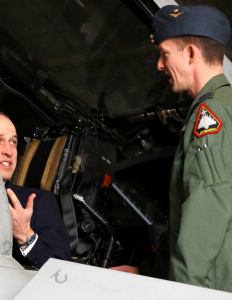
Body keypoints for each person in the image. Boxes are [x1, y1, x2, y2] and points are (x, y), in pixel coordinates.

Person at [111, 5, 232, 292]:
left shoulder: (211, 114)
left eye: (164, 55)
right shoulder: (222, 105)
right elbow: (185, 222)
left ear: (190, 54)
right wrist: (146, 271)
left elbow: (207, 209)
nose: (160, 66)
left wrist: (181, 292)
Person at [0, 110, 71, 268]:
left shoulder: (38, 203)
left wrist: (25, 235)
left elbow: (63, 271)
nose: (9, 151)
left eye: (13, 142)